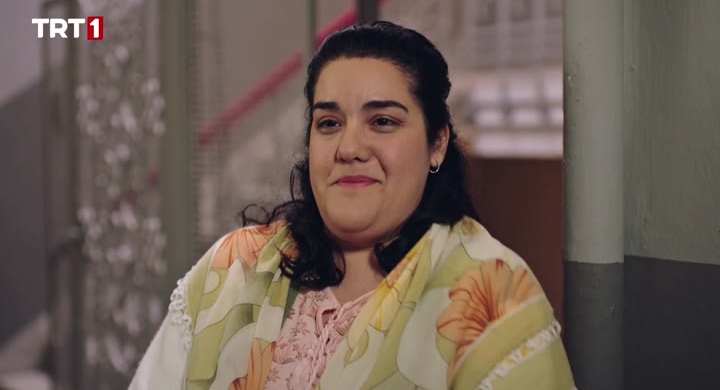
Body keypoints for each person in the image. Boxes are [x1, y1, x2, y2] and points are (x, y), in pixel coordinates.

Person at [130, 21, 575, 390]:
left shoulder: (493, 296)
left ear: (437, 143)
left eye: (382, 121)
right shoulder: (233, 268)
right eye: (329, 123)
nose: (348, 148)